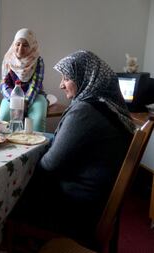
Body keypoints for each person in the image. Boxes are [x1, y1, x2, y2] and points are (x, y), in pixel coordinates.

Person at [12, 50, 135, 247]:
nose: (61, 84)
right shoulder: (110, 106)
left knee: (11, 201)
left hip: (77, 210)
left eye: (67, 78)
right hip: (96, 202)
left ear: (87, 77)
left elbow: (50, 165)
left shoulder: (86, 111)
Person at [0, 28, 47, 132]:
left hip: (35, 95)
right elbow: (4, 84)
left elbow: (36, 85)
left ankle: (37, 146)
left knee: (37, 120)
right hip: (12, 95)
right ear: (14, 44)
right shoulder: (8, 59)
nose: (20, 48)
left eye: (25, 45)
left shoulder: (38, 61)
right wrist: (14, 100)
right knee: (3, 119)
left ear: (32, 46)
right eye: (18, 44)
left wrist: (25, 102)